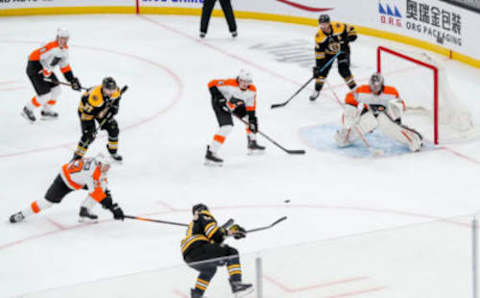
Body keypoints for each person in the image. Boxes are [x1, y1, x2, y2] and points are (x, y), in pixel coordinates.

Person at [9, 154, 124, 224]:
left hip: (78, 179)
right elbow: (96, 192)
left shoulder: (98, 165)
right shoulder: (92, 173)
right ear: (99, 164)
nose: (107, 169)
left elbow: (101, 184)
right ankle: (23, 214)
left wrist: (109, 201)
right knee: (48, 202)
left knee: (102, 189)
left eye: (108, 167)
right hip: (64, 180)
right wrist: (112, 207)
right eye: (105, 166)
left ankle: (84, 211)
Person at [334, 72, 423, 152]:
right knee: (342, 140)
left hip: (385, 116)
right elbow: (350, 100)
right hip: (368, 115)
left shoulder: (391, 92)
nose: (374, 89)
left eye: (376, 87)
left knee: (390, 124)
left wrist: (396, 119)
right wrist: (348, 123)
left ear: (381, 85)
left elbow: (400, 106)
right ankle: (346, 136)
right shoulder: (362, 90)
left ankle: (413, 138)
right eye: (372, 86)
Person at [181, 203, 252, 298]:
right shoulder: (203, 214)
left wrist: (229, 232)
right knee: (231, 252)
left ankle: (197, 295)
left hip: (189, 256)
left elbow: (215, 243)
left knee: (210, 269)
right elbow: (215, 234)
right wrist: (230, 232)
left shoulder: (193, 226)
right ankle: (236, 282)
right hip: (199, 248)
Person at [21, 27, 82, 122]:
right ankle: (27, 109)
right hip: (35, 67)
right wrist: (40, 70)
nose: (63, 40)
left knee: (56, 90)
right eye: (61, 38)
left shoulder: (65, 50)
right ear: (57, 37)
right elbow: (34, 55)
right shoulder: (50, 45)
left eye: (65, 38)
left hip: (47, 70)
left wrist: (72, 80)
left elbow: (64, 66)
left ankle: (46, 111)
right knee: (45, 95)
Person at [205, 69, 265, 166]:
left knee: (248, 119)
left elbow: (251, 107)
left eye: (248, 82)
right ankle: (211, 153)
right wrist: (218, 97)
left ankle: (252, 143)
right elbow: (211, 84)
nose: (246, 84)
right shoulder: (229, 83)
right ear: (239, 79)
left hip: (235, 103)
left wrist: (252, 120)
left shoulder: (252, 90)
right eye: (243, 81)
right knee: (227, 127)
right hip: (220, 104)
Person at [73, 77, 123, 162]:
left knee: (113, 128)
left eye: (112, 90)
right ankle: (77, 155)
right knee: (89, 135)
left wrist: (114, 108)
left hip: (102, 109)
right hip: (86, 112)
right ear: (103, 88)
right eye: (108, 90)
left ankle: (113, 151)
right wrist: (92, 129)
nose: (111, 92)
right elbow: (89, 113)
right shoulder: (95, 98)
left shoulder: (116, 91)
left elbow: (117, 98)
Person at [310, 14, 357, 101]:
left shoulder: (339, 27)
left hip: (343, 51)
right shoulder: (319, 37)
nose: (323, 26)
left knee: (344, 70)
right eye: (321, 24)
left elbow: (352, 30)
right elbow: (319, 53)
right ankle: (316, 90)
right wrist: (318, 67)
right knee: (322, 73)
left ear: (329, 23)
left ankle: (355, 91)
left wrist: (349, 38)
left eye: (325, 24)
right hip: (328, 54)